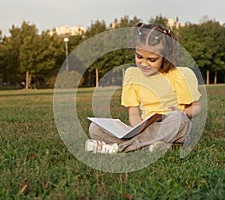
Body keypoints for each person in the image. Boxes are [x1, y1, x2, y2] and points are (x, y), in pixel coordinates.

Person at [85, 23, 201, 153]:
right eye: (139, 57)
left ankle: (119, 148)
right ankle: (156, 145)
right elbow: (133, 114)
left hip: (173, 127)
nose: (143, 63)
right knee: (95, 128)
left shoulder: (181, 74)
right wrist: (137, 129)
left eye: (152, 60)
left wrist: (183, 112)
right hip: (144, 129)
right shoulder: (132, 74)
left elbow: (196, 107)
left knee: (176, 118)